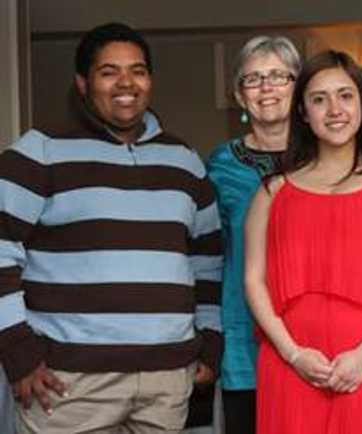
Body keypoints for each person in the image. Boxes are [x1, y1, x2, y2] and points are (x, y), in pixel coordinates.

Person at [0, 22, 223, 433]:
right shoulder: (40, 151)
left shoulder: (184, 161)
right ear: (82, 84)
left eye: (138, 70)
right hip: (70, 385)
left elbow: (207, 260)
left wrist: (210, 345)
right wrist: (19, 353)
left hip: (166, 383)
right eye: (109, 71)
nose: (127, 82)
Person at [244, 50, 362, 434]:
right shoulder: (272, 192)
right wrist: (292, 353)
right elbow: (253, 280)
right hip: (291, 362)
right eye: (319, 99)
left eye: (346, 96)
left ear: (361, 104)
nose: (335, 109)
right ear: (303, 113)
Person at [206, 34, 300, 434]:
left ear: (300, 88)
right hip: (245, 342)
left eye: (279, 76)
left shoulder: (328, 156)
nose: (266, 87)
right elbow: (210, 256)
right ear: (239, 97)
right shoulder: (220, 165)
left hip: (316, 336)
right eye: (253, 79)